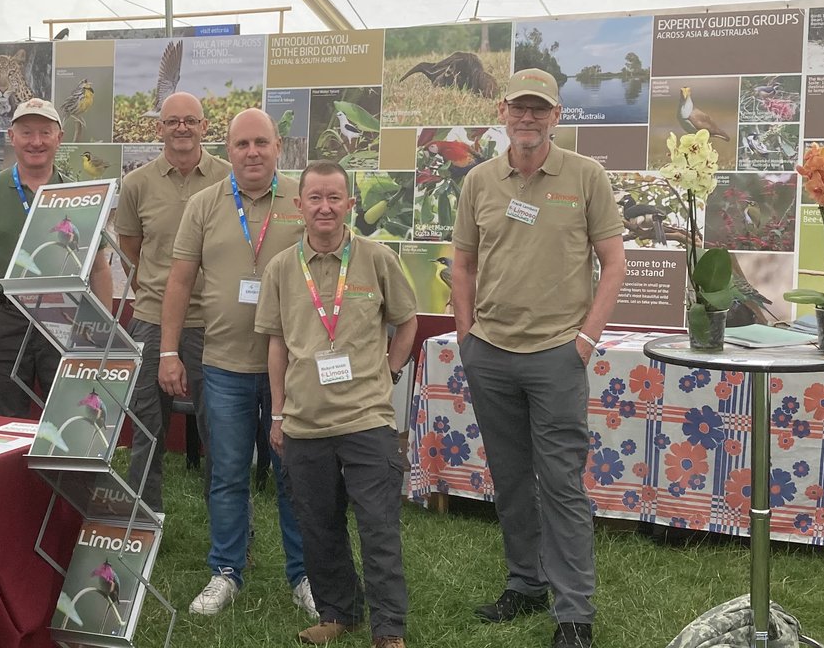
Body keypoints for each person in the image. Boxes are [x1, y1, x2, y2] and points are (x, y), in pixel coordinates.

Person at [450, 68, 625, 648]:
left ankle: (573, 613)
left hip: (556, 355)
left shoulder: (585, 175)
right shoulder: (479, 180)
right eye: (519, 108)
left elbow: (613, 263)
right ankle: (525, 583)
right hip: (491, 353)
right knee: (509, 479)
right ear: (502, 112)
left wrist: (586, 341)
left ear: (556, 116)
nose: (528, 118)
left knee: (561, 485)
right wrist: (467, 337)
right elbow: (463, 264)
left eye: (539, 109)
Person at [258, 160, 418, 647]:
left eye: (334, 198)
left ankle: (388, 628)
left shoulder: (377, 258)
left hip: (366, 418)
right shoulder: (281, 268)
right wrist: (279, 414)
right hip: (305, 423)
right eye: (315, 198)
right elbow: (277, 345)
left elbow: (406, 321)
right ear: (299, 205)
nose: (324, 207)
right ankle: (337, 612)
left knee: (378, 526)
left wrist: (389, 371)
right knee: (318, 526)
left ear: (350, 203)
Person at [162, 108, 314, 618]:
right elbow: (179, 281)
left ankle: (305, 576)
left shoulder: (302, 200)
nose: (252, 152)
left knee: (293, 474)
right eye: (242, 144)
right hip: (223, 365)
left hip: (291, 370)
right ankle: (226, 572)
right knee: (227, 474)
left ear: (278, 147)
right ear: (227, 150)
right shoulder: (205, 204)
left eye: (261, 143)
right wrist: (168, 351)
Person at [115, 92, 230, 509]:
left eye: (190, 121)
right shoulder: (136, 183)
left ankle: (229, 526)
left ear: (205, 127)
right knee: (147, 426)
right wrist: (156, 287)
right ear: (158, 128)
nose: (182, 128)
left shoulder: (228, 178)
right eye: (173, 121)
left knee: (221, 430)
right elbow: (131, 249)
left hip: (211, 321)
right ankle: (144, 518)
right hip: (150, 319)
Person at [0, 98, 111, 418]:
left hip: (64, 314)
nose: (36, 141)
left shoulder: (80, 195)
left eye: (45, 132)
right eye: (26, 132)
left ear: (59, 138)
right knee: (4, 418)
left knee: (68, 412)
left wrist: (100, 332)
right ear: (12, 137)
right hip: (6, 317)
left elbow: (99, 269)